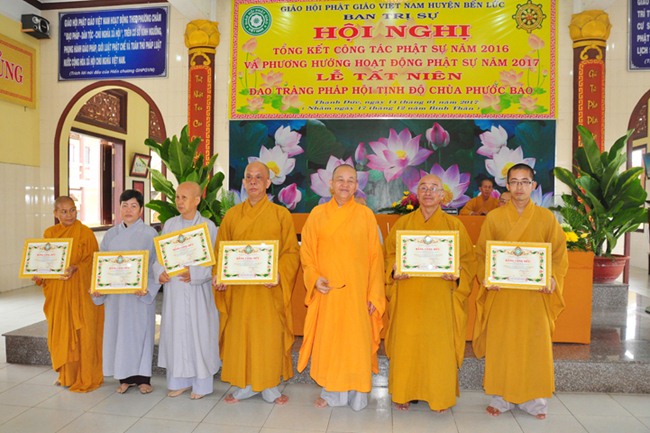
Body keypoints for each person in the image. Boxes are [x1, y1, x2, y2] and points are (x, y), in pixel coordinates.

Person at [472, 163, 568, 420]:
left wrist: (552, 278)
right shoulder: (494, 217)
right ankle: (501, 398)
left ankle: (535, 400)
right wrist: (487, 277)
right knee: (502, 344)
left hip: (534, 295)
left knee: (534, 345)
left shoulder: (546, 218)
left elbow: (559, 254)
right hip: (503, 294)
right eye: (514, 182)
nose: (519, 187)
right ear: (507, 185)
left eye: (525, 182)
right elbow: (482, 253)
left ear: (533, 185)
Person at [384, 174, 477, 412]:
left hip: (440, 298)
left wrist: (457, 274)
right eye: (423, 188)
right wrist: (394, 270)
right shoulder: (403, 225)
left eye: (434, 188)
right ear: (417, 193)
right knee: (407, 345)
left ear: (442, 195)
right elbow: (389, 255)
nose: (428, 192)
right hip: (408, 295)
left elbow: (468, 261)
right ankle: (404, 392)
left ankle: (439, 396)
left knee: (438, 348)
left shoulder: (454, 226)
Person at [298, 164, 385, 411]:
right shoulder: (317, 214)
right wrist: (315, 278)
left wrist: (374, 294)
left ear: (356, 186)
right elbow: (306, 252)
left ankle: (359, 393)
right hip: (329, 293)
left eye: (350, 180)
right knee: (331, 342)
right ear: (331, 184)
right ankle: (333, 392)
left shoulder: (366, 215)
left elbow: (376, 258)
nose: (345, 185)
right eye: (340, 180)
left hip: (358, 294)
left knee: (356, 343)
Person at [213, 162, 300, 405]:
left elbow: (291, 252)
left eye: (259, 177)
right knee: (241, 337)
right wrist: (219, 275)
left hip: (268, 292)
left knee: (268, 337)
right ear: (243, 182)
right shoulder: (231, 216)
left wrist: (279, 274)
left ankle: (269, 385)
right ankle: (246, 384)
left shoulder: (281, 215)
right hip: (239, 292)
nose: (253, 181)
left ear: (268, 183)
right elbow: (220, 251)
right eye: (249, 177)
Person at [154, 181, 220, 399]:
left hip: (198, 291)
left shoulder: (208, 227)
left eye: (184, 197)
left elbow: (213, 261)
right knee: (177, 334)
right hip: (174, 289)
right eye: (177, 197)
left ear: (197, 200)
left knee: (199, 335)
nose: (179, 201)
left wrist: (196, 273)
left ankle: (202, 385)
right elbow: (160, 257)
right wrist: (160, 272)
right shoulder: (170, 225)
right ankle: (179, 382)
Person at [32, 196, 104, 392]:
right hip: (58, 294)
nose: (69, 215)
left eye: (72, 210)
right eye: (64, 211)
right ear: (55, 213)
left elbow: (93, 262)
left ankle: (85, 373)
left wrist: (76, 268)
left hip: (81, 294)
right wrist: (39, 274)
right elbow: (45, 261)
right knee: (62, 334)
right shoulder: (50, 233)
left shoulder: (85, 233)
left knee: (83, 334)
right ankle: (66, 375)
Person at [91, 190, 159, 394]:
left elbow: (157, 264)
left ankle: (143, 379)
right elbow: (102, 264)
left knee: (140, 335)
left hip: (139, 296)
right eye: (124, 205)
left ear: (141, 209)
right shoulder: (111, 234)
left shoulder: (150, 234)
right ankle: (125, 378)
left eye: (133, 206)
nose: (128, 210)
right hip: (117, 297)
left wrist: (147, 288)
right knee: (119, 334)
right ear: (119, 208)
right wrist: (99, 287)